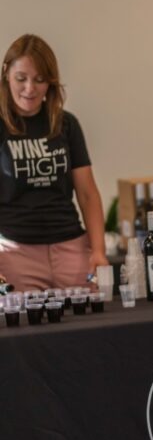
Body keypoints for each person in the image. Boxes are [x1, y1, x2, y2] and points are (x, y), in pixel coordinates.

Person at [0, 34, 108, 291]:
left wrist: (98, 251)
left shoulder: (66, 124)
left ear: (50, 81)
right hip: (15, 255)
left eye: (39, 80)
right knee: (24, 318)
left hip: (72, 249)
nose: (30, 89)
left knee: (92, 315)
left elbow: (87, 194)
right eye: (21, 78)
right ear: (6, 74)